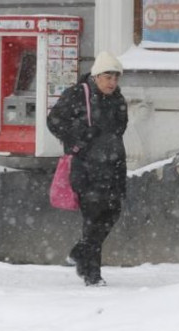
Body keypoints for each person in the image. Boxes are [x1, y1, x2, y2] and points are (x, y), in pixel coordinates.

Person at [47, 52, 128, 287]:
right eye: (108, 76)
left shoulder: (118, 99)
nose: (112, 82)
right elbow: (54, 120)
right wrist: (79, 137)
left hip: (113, 165)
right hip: (87, 168)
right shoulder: (78, 94)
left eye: (116, 77)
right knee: (93, 218)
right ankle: (92, 274)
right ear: (96, 75)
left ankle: (80, 252)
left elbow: (119, 128)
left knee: (111, 213)